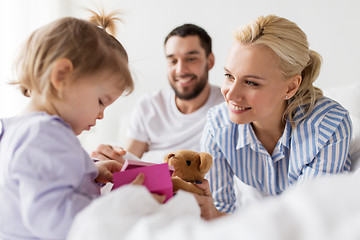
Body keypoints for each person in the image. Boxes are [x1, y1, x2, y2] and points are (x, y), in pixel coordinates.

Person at [0, 11, 164, 240]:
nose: (101, 115)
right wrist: (123, 204)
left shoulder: (14, 130)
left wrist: (90, 171)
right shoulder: (45, 134)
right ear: (62, 76)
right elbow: (59, 223)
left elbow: (37, 183)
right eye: (101, 102)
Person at [195, 14, 352, 219]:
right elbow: (222, 212)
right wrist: (207, 210)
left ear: (291, 86)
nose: (231, 94)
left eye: (251, 82)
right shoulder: (218, 126)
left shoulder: (328, 127)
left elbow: (307, 220)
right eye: (229, 76)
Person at [91, 23, 224, 163]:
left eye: (191, 59)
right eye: (173, 60)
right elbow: (128, 161)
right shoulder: (150, 105)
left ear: (210, 61)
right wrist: (111, 158)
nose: (180, 70)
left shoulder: (227, 108)